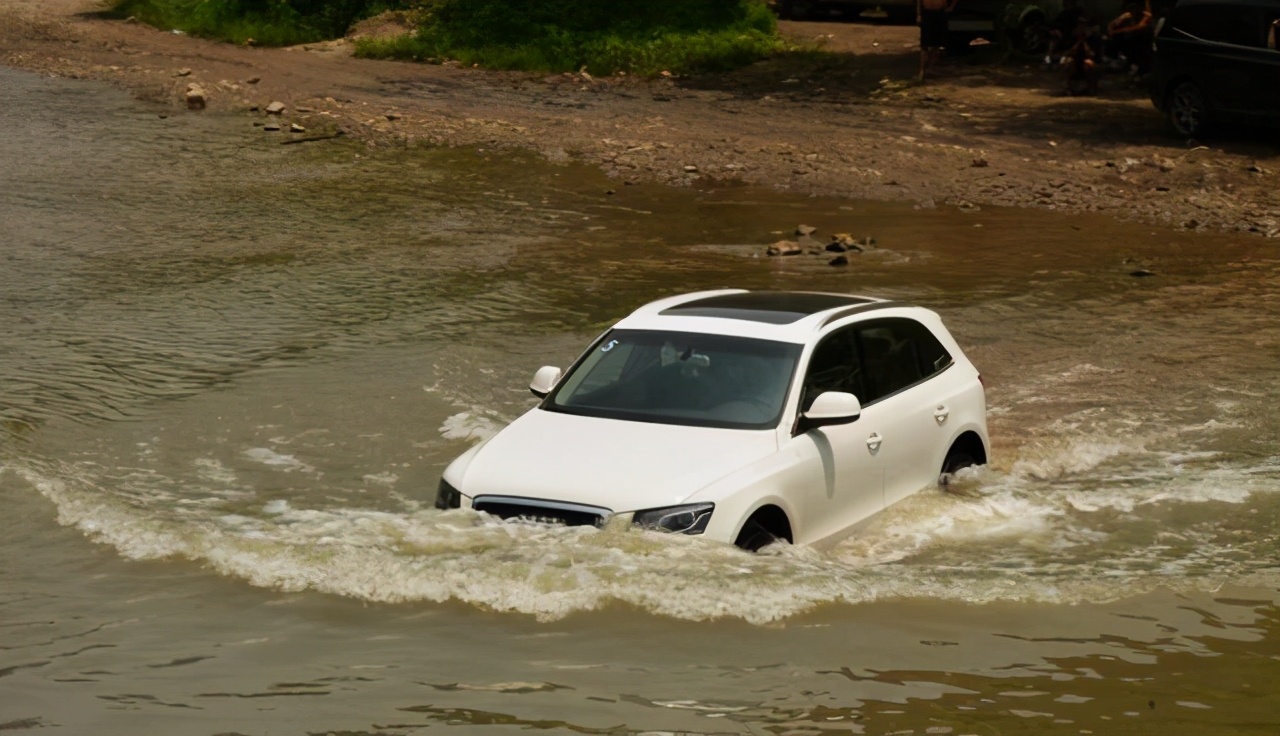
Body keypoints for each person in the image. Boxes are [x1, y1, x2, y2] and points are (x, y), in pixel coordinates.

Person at [1104, 0, 1154, 74]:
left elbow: (1138, 27)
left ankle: (1137, 68)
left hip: (1143, 41)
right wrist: (1120, 18)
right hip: (1131, 39)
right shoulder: (1127, 16)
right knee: (1113, 41)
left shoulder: (1146, 16)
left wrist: (1117, 31)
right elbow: (1110, 27)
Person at [918, 0, 958, 82]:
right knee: (925, 44)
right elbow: (919, 1)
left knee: (937, 44)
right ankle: (922, 70)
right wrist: (918, 14)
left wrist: (951, 7)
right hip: (927, 13)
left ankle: (930, 68)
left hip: (940, 13)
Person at [1063, 16, 1101, 95]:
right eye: (1079, 24)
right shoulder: (1072, 36)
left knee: (1089, 63)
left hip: (1087, 61)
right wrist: (1078, 43)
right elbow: (1068, 52)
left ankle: (1091, 87)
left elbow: (1092, 54)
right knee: (1068, 62)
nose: (1081, 27)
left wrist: (1084, 42)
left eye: (1084, 24)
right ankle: (1068, 87)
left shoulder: (1093, 38)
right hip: (1075, 61)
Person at [1045, 0, 1086, 67]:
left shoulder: (1079, 11)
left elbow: (1083, 22)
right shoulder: (1063, 13)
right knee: (1053, 40)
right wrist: (1054, 30)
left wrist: (1079, 29)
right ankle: (1049, 59)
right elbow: (1054, 23)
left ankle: (1062, 60)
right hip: (1062, 35)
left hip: (1073, 35)